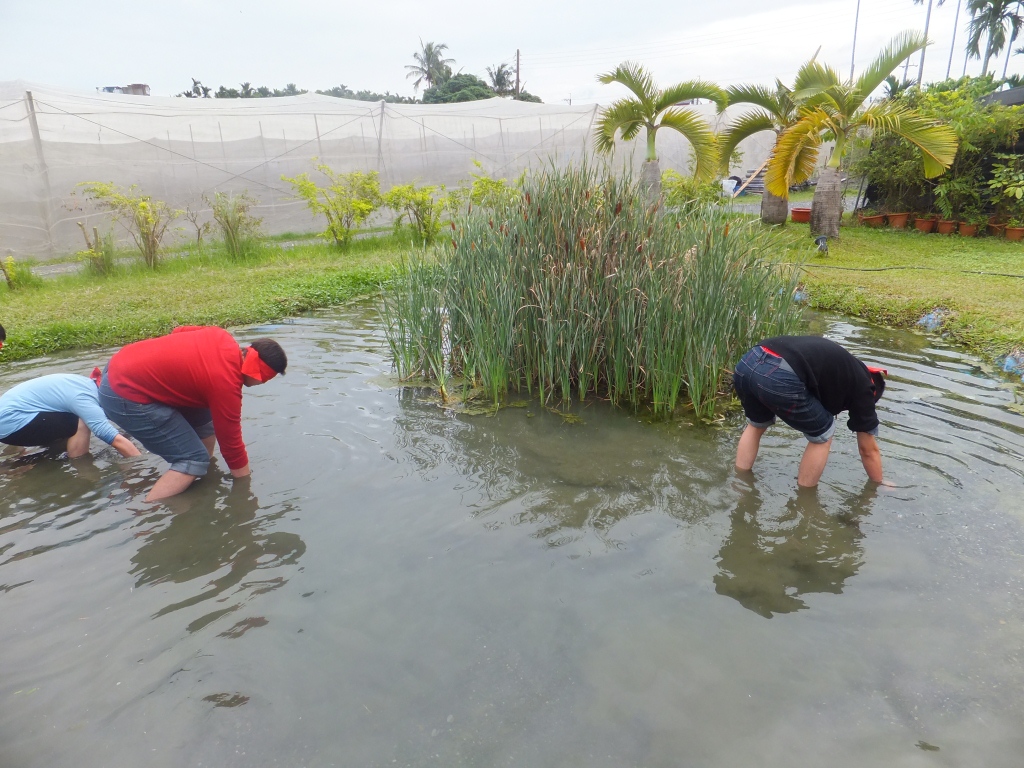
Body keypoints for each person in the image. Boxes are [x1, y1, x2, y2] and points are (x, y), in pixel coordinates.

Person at [98, 326, 287, 502]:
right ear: (257, 372)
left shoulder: (222, 336)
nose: (264, 384)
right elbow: (231, 444)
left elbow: (178, 331)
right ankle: (149, 513)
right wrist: (245, 489)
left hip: (119, 365)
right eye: (265, 379)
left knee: (206, 421)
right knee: (193, 459)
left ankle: (201, 474)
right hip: (123, 394)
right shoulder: (226, 384)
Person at [732, 335, 887, 487]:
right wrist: (879, 484)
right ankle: (805, 500)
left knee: (756, 425)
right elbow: (868, 450)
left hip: (748, 362)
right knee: (823, 434)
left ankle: (740, 482)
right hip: (778, 374)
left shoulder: (844, 366)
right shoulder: (866, 388)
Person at [0, 373, 141, 459]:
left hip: (9, 420)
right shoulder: (85, 400)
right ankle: (79, 461)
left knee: (67, 418)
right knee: (82, 420)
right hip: (13, 423)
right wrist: (140, 462)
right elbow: (111, 437)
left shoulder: (87, 385)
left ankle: (28, 454)